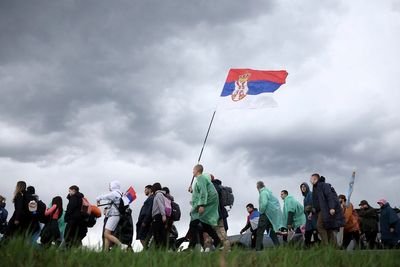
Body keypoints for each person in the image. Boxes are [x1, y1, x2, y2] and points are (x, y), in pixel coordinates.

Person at [188, 165, 220, 250]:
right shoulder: (200, 179)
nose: (192, 172)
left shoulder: (200, 178)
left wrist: (202, 205)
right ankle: (218, 243)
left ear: (197, 170)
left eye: (193, 170)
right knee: (205, 224)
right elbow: (199, 193)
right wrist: (192, 191)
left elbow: (204, 192)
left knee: (194, 223)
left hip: (206, 203)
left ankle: (196, 246)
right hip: (207, 202)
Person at [310, 174, 344, 246]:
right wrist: (311, 212)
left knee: (319, 226)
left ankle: (325, 245)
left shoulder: (324, 185)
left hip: (325, 210)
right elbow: (315, 202)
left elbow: (329, 196)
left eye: (311, 179)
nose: (310, 180)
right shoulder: (315, 188)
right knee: (327, 228)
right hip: (320, 211)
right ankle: (334, 246)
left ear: (315, 179)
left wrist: (332, 207)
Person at [96, 181, 124, 251]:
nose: (109, 187)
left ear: (113, 186)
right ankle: (106, 251)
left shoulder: (114, 193)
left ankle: (122, 245)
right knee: (107, 234)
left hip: (114, 215)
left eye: (110, 186)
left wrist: (98, 198)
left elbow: (105, 196)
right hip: (114, 215)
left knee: (106, 234)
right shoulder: (119, 193)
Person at [255, 181, 283, 250]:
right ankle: (278, 248)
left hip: (265, 215)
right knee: (272, 233)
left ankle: (258, 249)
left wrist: (261, 211)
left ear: (257, 187)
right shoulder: (268, 192)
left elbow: (264, 203)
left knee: (259, 232)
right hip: (271, 216)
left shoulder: (263, 193)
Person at [208, 175, 230, 251]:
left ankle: (226, 247)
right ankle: (224, 246)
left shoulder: (213, 186)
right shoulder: (218, 186)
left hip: (217, 212)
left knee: (220, 229)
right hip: (220, 211)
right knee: (218, 229)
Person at [300, 182, 319, 247]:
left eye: (304, 187)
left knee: (313, 232)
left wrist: (310, 213)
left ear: (307, 187)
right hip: (308, 219)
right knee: (309, 233)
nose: (303, 188)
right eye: (302, 187)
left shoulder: (310, 194)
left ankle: (312, 246)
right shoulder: (305, 197)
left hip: (312, 217)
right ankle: (309, 246)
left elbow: (312, 205)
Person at [136, 185, 154, 249]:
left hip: (145, 220)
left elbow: (149, 210)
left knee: (142, 237)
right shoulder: (149, 198)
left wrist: (145, 221)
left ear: (150, 190)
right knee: (142, 237)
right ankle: (146, 250)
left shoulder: (151, 198)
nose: (144, 191)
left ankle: (146, 250)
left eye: (146, 189)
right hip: (144, 220)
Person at [151, 182, 167, 248]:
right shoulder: (161, 194)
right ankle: (161, 247)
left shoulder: (158, 194)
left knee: (157, 233)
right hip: (159, 216)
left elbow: (161, 205)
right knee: (160, 232)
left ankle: (159, 247)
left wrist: (163, 215)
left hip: (158, 216)